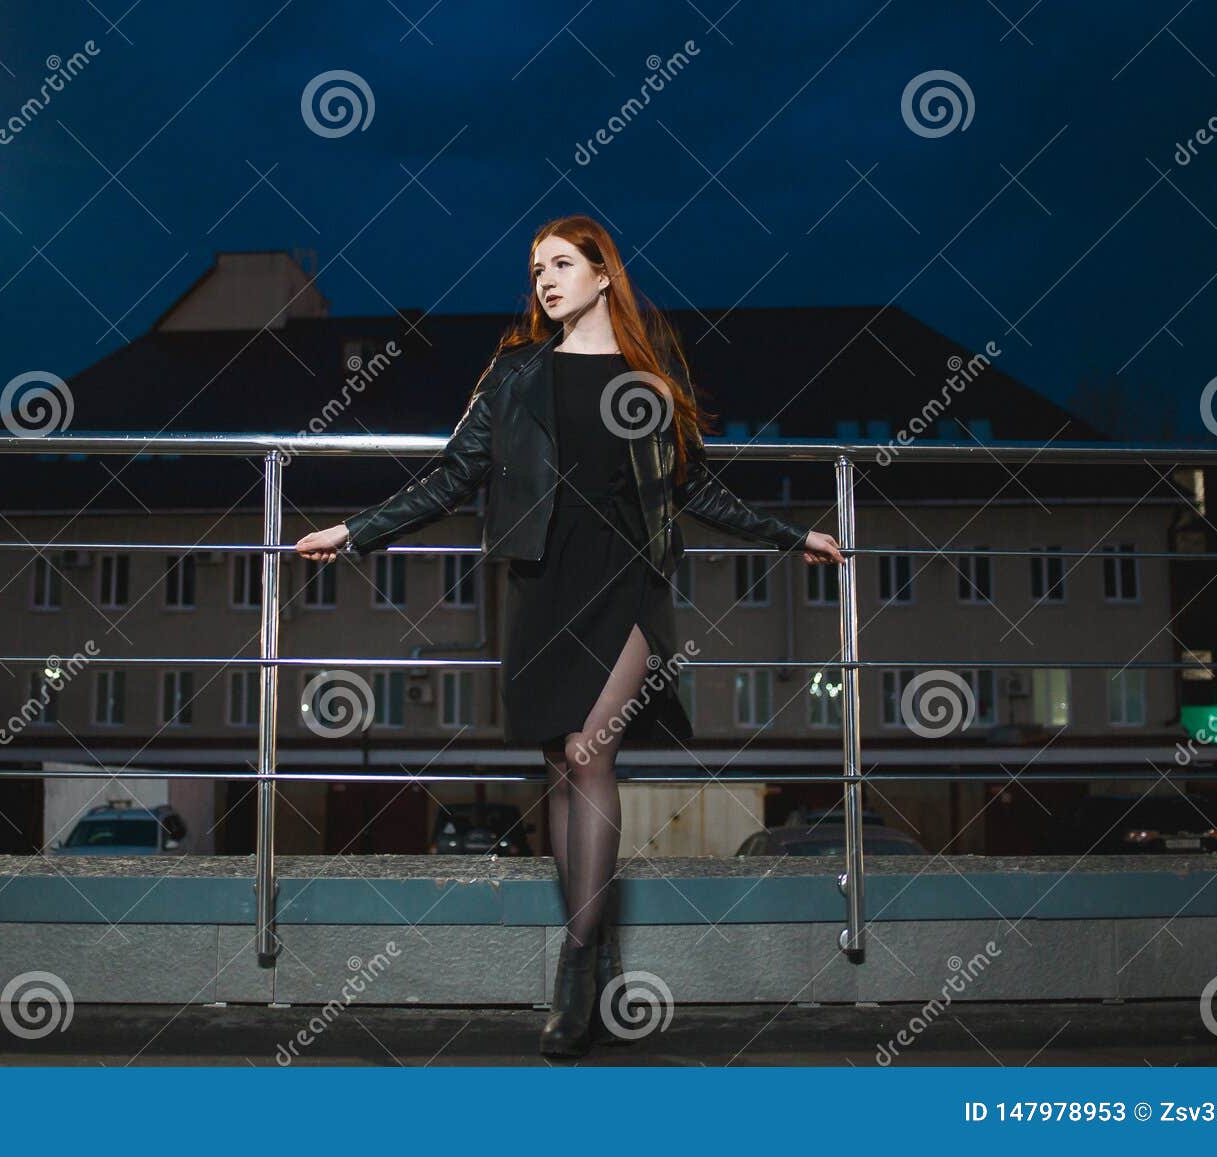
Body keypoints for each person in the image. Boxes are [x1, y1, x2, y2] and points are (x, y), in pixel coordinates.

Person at [296, 214, 844, 1058]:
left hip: (626, 585)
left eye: (561, 264)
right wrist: (358, 529)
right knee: (559, 767)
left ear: (601, 275)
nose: (546, 279)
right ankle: (603, 960)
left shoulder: (644, 383)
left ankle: (576, 966)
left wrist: (790, 534)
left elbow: (693, 492)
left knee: (591, 751)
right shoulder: (516, 375)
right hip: (542, 584)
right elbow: (455, 474)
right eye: (536, 267)